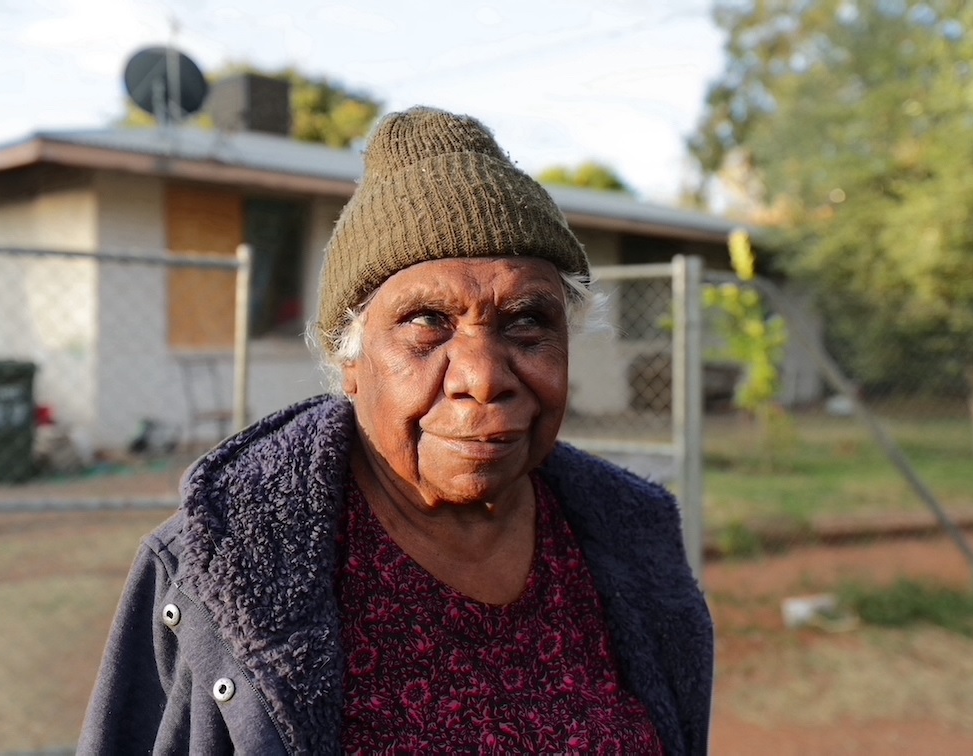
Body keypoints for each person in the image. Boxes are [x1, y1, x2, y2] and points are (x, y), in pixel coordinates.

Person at [79, 106, 714, 755]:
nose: (482, 376)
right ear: (350, 362)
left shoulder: (632, 538)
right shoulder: (212, 564)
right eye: (427, 322)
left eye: (528, 322)